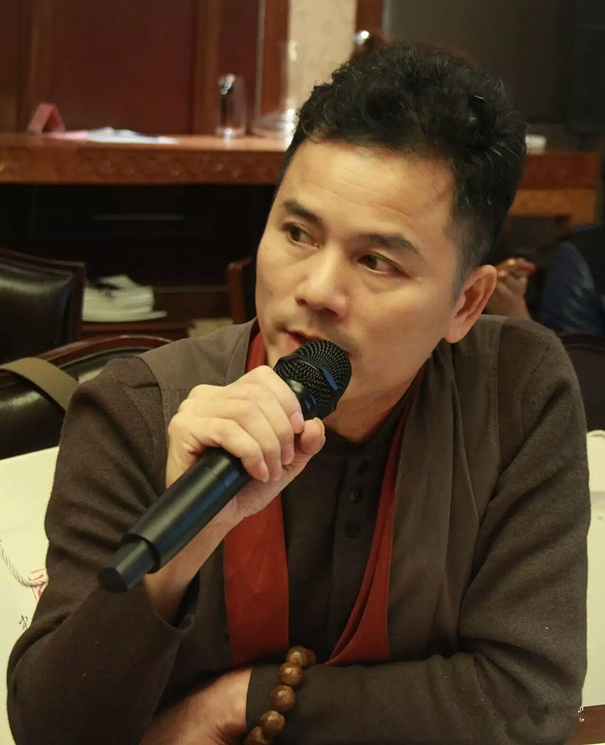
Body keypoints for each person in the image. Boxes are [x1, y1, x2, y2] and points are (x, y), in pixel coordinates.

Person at [7, 44, 589, 745]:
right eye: (296, 233)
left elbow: (527, 700)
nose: (315, 290)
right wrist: (182, 550)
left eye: (376, 261)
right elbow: (53, 730)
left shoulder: (515, 391)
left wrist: (242, 704)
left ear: (465, 304)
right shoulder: (137, 408)